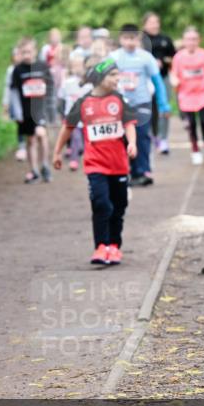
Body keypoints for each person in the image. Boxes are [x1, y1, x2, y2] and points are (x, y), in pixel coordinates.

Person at [51, 59, 137, 266]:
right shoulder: (83, 103)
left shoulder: (119, 100)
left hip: (118, 164)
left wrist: (132, 142)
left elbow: (129, 124)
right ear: (100, 78)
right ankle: (101, 246)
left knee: (118, 206)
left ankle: (114, 246)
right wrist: (56, 152)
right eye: (113, 75)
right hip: (95, 163)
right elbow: (68, 127)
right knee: (100, 204)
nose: (118, 79)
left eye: (118, 74)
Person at [110, 24, 170, 186]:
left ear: (138, 39)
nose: (130, 42)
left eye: (133, 38)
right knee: (122, 138)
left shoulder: (146, 57)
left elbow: (157, 81)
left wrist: (163, 103)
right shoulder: (113, 57)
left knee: (142, 136)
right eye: (127, 38)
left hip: (142, 103)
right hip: (120, 105)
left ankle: (143, 171)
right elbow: (99, 73)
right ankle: (126, 171)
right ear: (121, 39)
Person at [170, 26, 204, 165]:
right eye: (188, 39)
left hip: (203, 92)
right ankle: (195, 150)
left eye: (194, 39)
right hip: (186, 95)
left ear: (198, 40)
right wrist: (174, 80)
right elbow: (174, 74)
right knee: (191, 124)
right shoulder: (178, 57)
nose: (191, 42)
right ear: (184, 41)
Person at [11, 37, 55, 183]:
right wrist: (16, 111)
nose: (26, 55)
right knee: (31, 140)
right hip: (26, 112)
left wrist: (51, 108)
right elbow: (14, 92)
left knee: (42, 134)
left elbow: (50, 88)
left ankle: (45, 166)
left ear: (35, 51)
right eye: (23, 52)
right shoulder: (17, 70)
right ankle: (34, 170)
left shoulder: (43, 66)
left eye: (29, 52)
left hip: (40, 109)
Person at [141, 12, 176, 156]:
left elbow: (174, 57)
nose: (155, 25)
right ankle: (151, 136)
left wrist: (163, 62)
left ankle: (163, 139)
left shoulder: (165, 39)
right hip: (145, 81)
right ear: (144, 24)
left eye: (157, 22)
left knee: (164, 109)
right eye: (151, 22)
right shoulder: (140, 39)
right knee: (149, 111)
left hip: (163, 78)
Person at [58, 53, 89, 171]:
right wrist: (62, 114)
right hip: (72, 117)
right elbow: (61, 98)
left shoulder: (89, 84)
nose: (78, 69)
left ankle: (87, 158)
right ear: (71, 68)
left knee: (85, 139)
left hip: (86, 118)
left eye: (80, 66)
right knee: (76, 139)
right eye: (75, 66)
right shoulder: (67, 83)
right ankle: (74, 160)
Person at [1, 46, 27, 161]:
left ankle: (29, 143)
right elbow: (8, 87)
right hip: (16, 100)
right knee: (20, 121)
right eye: (15, 55)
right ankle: (22, 145)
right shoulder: (11, 70)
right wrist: (6, 102)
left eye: (19, 54)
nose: (18, 57)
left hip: (27, 100)